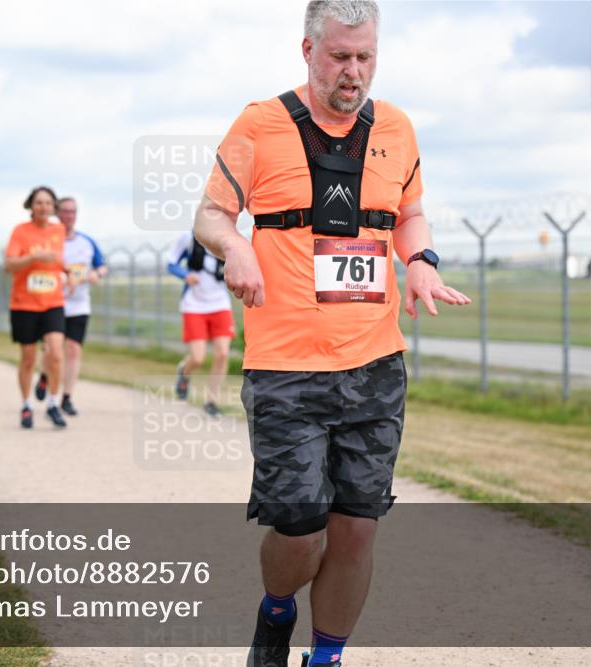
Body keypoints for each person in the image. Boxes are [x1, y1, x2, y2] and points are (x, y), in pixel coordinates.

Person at [194, 2, 471, 666]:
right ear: (309, 50)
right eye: (341, 56)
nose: (355, 71)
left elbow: (411, 214)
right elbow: (211, 214)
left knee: (354, 530)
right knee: (300, 532)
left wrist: (422, 262)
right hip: (285, 367)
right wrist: (233, 246)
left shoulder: (397, 129)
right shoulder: (259, 124)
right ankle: (277, 608)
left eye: (366, 57)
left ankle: (327, 656)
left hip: (375, 364)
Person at [33, 197, 107, 416]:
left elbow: (102, 266)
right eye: (64, 211)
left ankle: (66, 397)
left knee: (73, 350)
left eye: (72, 212)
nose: (68, 216)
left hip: (79, 305)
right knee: (52, 350)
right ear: (57, 213)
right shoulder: (49, 240)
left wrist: (96, 274)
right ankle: (46, 376)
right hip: (52, 303)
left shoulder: (86, 242)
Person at [4, 186, 68, 429]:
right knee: (28, 358)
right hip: (24, 304)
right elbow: (9, 265)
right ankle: (26, 405)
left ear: (54, 207)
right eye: (39, 203)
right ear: (31, 206)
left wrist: (68, 272)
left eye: (48, 203)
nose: (43, 207)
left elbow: (58, 261)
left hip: (53, 301)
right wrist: (34, 258)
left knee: (55, 352)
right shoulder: (20, 232)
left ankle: (53, 402)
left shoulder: (58, 230)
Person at [167, 230, 235, 417]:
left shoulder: (228, 239)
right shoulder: (187, 238)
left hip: (220, 303)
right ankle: (184, 370)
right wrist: (185, 275)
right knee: (198, 357)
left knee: (222, 353)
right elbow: (171, 264)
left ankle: (211, 401)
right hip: (194, 304)